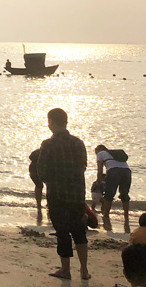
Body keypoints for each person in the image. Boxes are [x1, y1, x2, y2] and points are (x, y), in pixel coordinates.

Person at [37, 107, 89, 281]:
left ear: (51, 122)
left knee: (62, 232)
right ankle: (84, 270)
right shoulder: (78, 143)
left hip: (57, 193)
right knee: (79, 231)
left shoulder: (48, 144)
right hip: (77, 193)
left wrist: (51, 180)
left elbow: (41, 170)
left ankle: (66, 269)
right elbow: (83, 165)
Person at [95, 144, 132, 228]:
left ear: (98, 150)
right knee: (124, 194)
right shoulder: (115, 153)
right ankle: (126, 217)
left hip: (113, 171)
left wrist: (99, 181)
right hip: (126, 171)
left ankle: (106, 215)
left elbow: (100, 170)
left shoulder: (100, 154)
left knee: (109, 194)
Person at [29, 148, 44, 218]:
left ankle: (39, 205)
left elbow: (30, 157)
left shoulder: (36, 152)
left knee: (39, 186)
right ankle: (40, 205)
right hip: (36, 169)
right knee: (40, 186)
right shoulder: (49, 151)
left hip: (34, 169)